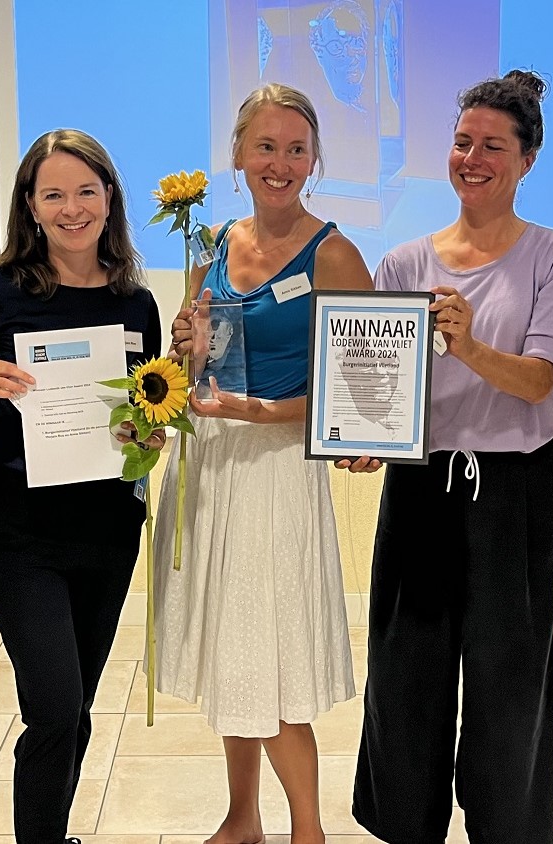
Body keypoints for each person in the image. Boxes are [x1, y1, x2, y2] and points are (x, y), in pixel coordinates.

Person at [346, 70, 553, 842]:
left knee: (509, 678)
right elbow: (383, 394)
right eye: (461, 142)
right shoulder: (403, 264)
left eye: (493, 145)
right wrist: (365, 441)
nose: (472, 157)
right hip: (423, 486)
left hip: (515, 490)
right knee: (404, 670)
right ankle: (404, 825)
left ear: (526, 160)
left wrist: (470, 345)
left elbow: (538, 380)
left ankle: (506, 828)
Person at [155, 83, 372, 844]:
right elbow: (191, 359)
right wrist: (186, 346)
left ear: (314, 160)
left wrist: (265, 412)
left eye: (296, 148)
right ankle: (242, 817)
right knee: (231, 651)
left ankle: (307, 832)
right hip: (212, 466)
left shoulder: (336, 252)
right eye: (266, 146)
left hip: (276, 470)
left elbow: (360, 395)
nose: (280, 163)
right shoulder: (213, 244)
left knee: (270, 659)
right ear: (239, 154)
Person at [0, 129, 162, 844]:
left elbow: (146, 420)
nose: (71, 209)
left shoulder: (136, 302)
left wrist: (148, 438)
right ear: (30, 207)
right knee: (55, 709)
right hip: (20, 532)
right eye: (53, 194)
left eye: (85, 191)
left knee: (79, 706)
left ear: (109, 198)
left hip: (107, 529)